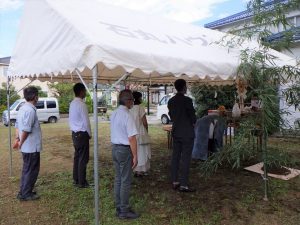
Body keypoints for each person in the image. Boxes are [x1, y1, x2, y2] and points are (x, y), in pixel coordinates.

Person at [110, 89, 140, 220]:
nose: (133, 102)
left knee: (118, 179)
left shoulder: (114, 113)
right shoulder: (128, 115)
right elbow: (132, 138)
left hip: (115, 148)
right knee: (125, 180)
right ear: (127, 101)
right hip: (124, 149)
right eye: (132, 100)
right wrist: (135, 156)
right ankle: (123, 210)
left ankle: (119, 206)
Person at [167, 79, 197, 192]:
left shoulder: (171, 101)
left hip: (176, 132)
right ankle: (184, 184)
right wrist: (193, 121)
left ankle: (175, 181)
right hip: (187, 133)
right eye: (186, 86)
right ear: (184, 87)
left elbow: (171, 116)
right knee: (185, 159)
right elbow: (193, 117)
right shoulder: (187, 100)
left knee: (175, 157)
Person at [15, 86, 42, 201]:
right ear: (35, 97)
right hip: (31, 147)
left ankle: (24, 191)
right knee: (32, 170)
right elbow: (26, 129)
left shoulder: (22, 108)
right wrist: (20, 141)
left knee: (27, 169)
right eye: (37, 96)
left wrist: (17, 139)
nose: (38, 98)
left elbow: (17, 126)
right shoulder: (30, 110)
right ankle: (26, 194)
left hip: (27, 147)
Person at [69, 83, 91, 188]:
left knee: (77, 157)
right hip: (82, 133)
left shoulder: (72, 103)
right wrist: (89, 134)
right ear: (81, 91)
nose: (85, 92)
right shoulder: (82, 104)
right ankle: (82, 182)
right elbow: (86, 122)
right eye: (85, 90)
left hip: (74, 133)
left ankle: (76, 179)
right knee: (83, 158)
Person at [129, 91, 151, 177]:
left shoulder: (129, 108)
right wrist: (147, 131)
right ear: (137, 98)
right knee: (141, 152)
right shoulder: (140, 107)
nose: (141, 99)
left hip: (131, 133)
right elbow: (145, 122)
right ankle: (140, 171)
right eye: (140, 97)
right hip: (140, 132)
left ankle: (134, 169)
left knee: (133, 151)